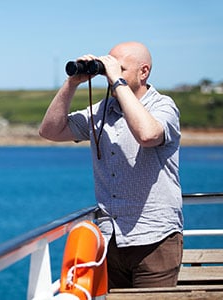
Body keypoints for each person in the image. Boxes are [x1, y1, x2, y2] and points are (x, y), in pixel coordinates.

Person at [39, 41, 183, 289]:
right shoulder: (103, 110)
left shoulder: (163, 106)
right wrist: (71, 83)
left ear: (144, 72)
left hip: (155, 240)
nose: (110, 75)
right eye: (107, 69)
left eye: (120, 68)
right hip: (111, 240)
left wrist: (118, 81)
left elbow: (147, 135)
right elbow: (50, 131)